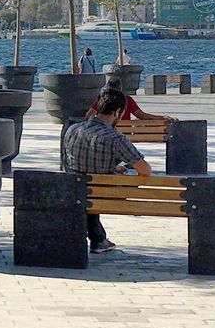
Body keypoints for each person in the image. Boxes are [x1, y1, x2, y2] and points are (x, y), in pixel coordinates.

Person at [62, 87, 153, 255]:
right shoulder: (115, 138)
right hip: (103, 193)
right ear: (117, 112)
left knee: (89, 184)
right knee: (123, 176)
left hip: (74, 189)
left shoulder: (72, 130)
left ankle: (99, 239)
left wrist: (112, 168)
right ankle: (98, 240)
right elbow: (145, 170)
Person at [87, 77, 174, 124]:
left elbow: (88, 116)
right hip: (125, 134)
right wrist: (162, 117)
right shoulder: (127, 100)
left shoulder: (102, 99)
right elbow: (142, 116)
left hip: (104, 131)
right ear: (120, 88)